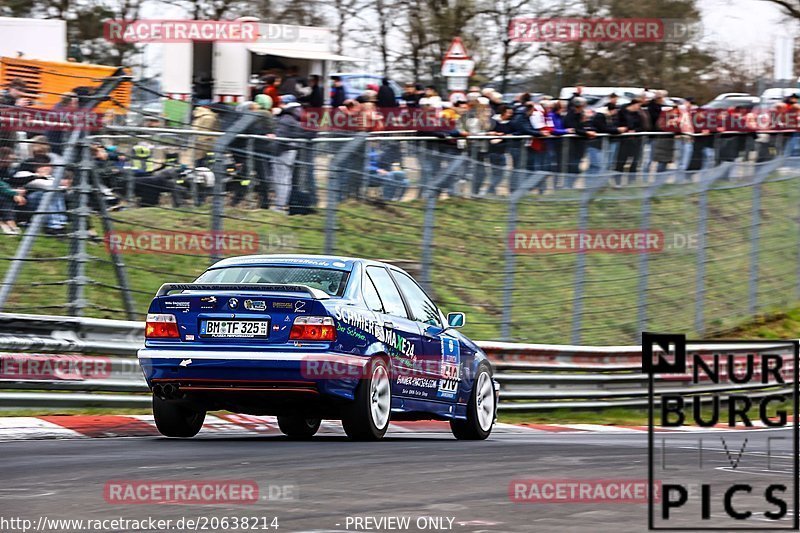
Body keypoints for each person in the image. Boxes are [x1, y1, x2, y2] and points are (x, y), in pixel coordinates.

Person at [272, 96, 314, 213]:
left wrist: (274, 138)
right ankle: (284, 204)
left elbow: (281, 135)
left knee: (281, 179)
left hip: (283, 151)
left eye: (281, 103)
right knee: (287, 178)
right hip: (293, 149)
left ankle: (280, 206)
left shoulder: (286, 117)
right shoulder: (300, 114)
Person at [562, 97, 596, 183]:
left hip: (580, 145)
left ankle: (571, 184)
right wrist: (586, 133)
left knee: (577, 165)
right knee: (573, 166)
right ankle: (568, 185)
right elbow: (573, 129)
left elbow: (585, 125)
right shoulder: (570, 116)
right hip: (572, 145)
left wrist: (590, 130)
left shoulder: (581, 114)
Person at [587, 103, 625, 175]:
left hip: (600, 144)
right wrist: (617, 130)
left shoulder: (607, 116)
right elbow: (603, 128)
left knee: (599, 165)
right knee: (596, 165)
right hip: (595, 144)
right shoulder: (601, 116)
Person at [485, 104, 514, 194]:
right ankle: (490, 190)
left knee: (500, 172)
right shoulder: (493, 122)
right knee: (498, 172)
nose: (510, 115)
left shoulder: (507, 123)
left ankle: (491, 190)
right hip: (494, 151)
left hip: (501, 150)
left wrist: (503, 137)